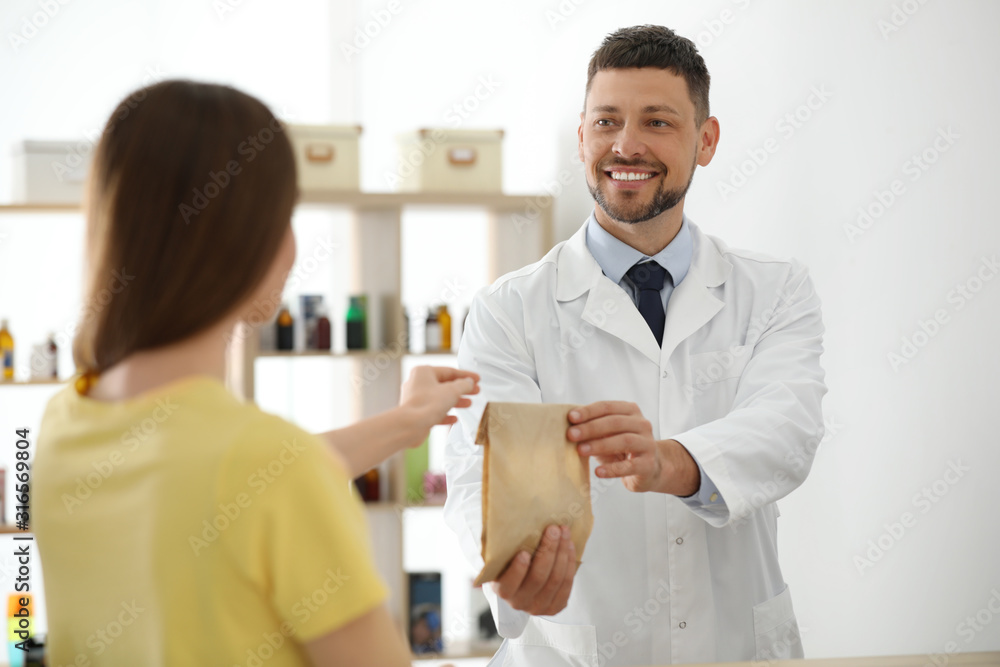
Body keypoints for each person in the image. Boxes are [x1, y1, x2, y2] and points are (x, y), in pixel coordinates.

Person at [33, 80, 479, 667]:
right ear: (242, 237)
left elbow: (224, 480)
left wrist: (406, 421)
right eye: (285, 215)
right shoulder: (269, 469)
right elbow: (263, 479)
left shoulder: (65, 421)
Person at [443, 24, 827, 665]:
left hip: (734, 646)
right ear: (581, 138)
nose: (625, 145)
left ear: (706, 141)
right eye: (606, 122)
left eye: (657, 122)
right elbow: (483, 474)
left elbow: (787, 429)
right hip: (572, 650)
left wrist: (670, 462)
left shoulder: (774, 290)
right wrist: (512, 560)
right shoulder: (510, 310)